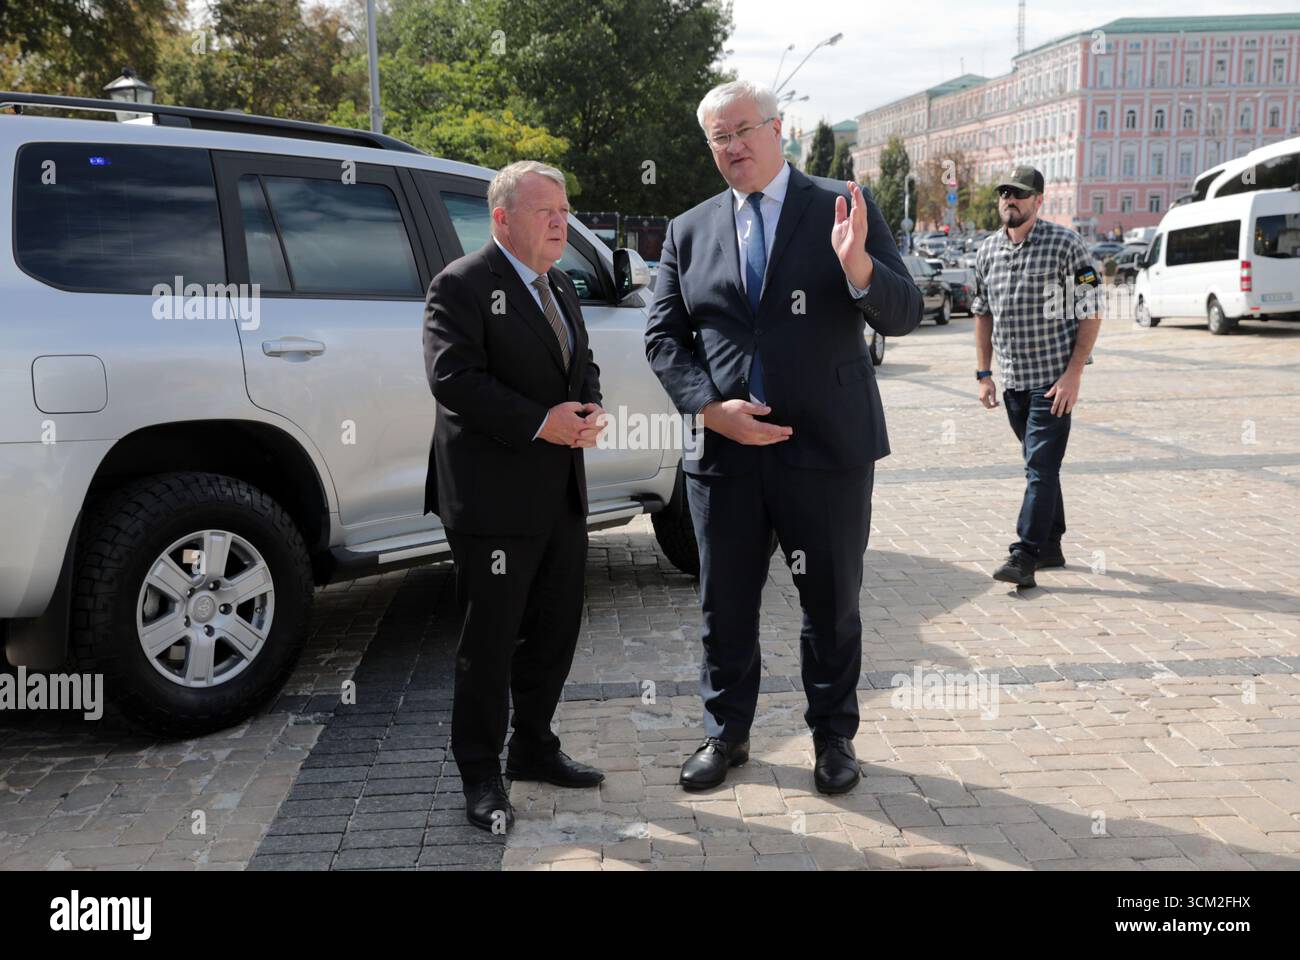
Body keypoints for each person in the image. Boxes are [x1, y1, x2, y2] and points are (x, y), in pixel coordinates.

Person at [644, 80, 922, 795]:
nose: (732, 147)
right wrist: (710, 408)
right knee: (722, 605)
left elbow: (906, 311)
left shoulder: (843, 204)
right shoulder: (689, 229)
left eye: (743, 130)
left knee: (830, 603)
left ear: (776, 128)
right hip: (724, 454)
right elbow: (664, 338)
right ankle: (725, 734)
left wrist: (857, 265)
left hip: (825, 449)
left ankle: (833, 739)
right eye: (718, 138)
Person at [422, 160, 606, 833]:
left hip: (559, 491)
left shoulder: (560, 285)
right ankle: (480, 773)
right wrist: (540, 421)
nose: (561, 222)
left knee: (555, 629)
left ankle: (533, 745)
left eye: (563, 209)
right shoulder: (463, 285)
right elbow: (454, 379)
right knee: (491, 641)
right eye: (544, 211)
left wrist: (589, 408)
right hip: (493, 500)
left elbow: (580, 365)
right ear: (502, 219)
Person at [970, 165, 1102, 589]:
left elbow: (1091, 308)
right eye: (1005, 193)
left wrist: (1074, 375)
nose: (1010, 199)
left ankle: (1024, 554)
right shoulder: (987, 251)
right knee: (1039, 467)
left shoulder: (1066, 244)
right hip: (1012, 383)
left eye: (1020, 194)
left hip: (1053, 382)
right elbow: (982, 313)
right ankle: (1051, 546)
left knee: (1040, 467)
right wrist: (984, 374)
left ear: (1038, 201)